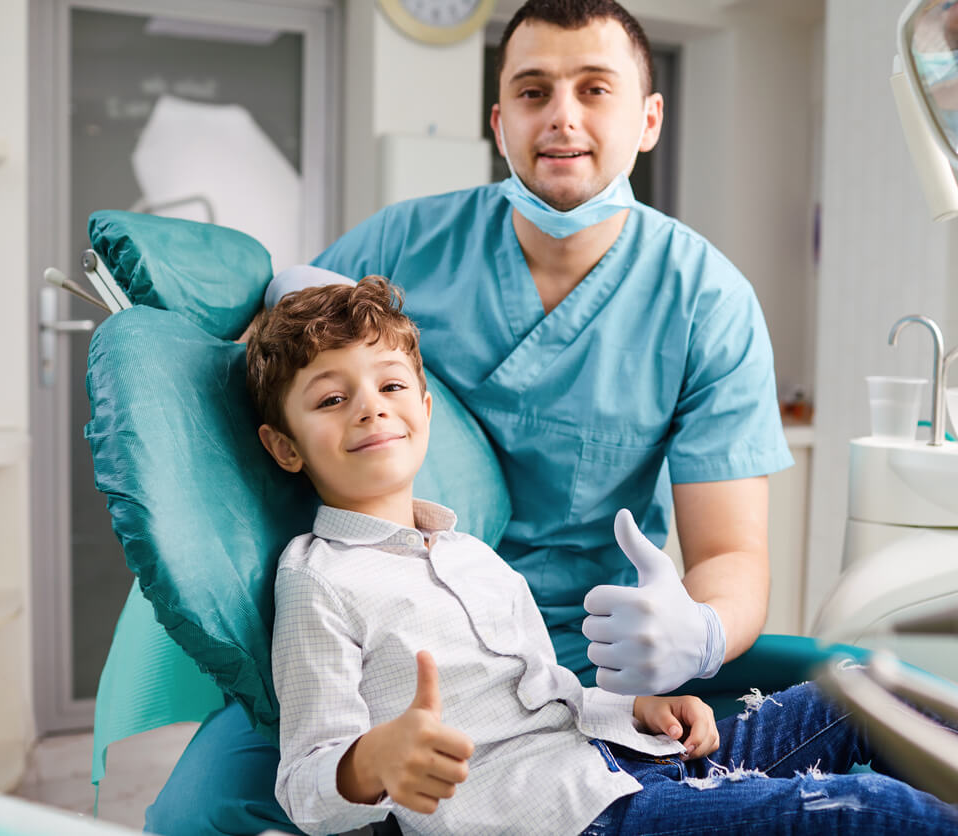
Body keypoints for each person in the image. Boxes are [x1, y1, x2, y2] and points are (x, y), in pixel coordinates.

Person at [148, 1, 792, 832]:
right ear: (500, 120)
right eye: (533, 91)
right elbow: (276, 357)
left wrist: (696, 635)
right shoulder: (406, 243)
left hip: (578, 650)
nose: (562, 115)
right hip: (389, 633)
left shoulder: (707, 301)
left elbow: (733, 552)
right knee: (194, 813)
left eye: (595, 88)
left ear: (648, 118)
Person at [243, 275, 958, 836]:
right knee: (866, 810)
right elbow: (305, 783)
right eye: (331, 399)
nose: (371, 406)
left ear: (425, 409)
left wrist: (633, 706)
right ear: (283, 444)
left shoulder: (472, 555)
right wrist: (375, 761)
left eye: (391, 384)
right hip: (565, 819)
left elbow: (547, 694)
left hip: (623, 761)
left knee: (867, 692)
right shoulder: (320, 580)